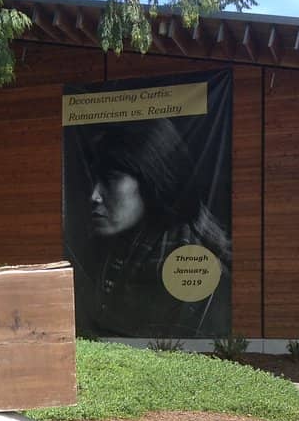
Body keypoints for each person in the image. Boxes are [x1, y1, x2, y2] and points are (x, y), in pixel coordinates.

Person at [66, 117, 232, 338]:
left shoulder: (187, 253)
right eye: (95, 178)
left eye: (110, 178)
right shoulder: (113, 249)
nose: (94, 196)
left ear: (151, 178)